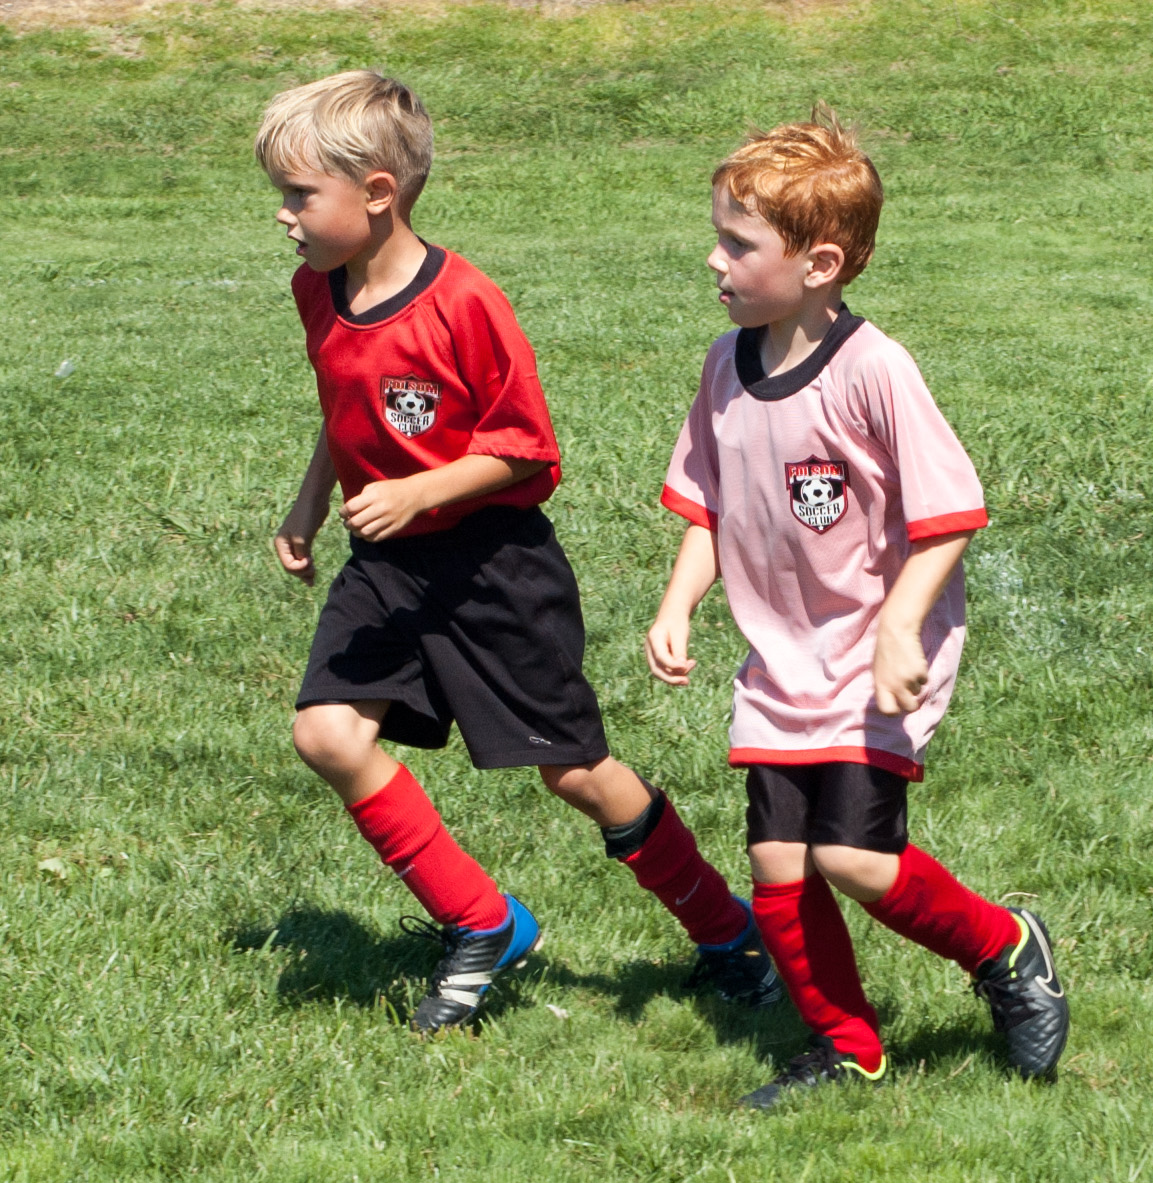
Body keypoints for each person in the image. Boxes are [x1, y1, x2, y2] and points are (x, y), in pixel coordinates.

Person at [262, 70, 778, 1035]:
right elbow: (343, 410)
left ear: (377, 192)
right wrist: (309, 503)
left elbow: (529, 451)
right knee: (328, 734)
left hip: (493, 567)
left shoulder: (464, 303)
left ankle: (726, 929)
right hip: (387, 567)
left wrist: (420, 488)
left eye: (299, 194)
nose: (283, 216)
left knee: (575, 772)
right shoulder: (316, 290)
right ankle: (480, 920)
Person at [646, 112, 1068, 1110]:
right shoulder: (724, 365)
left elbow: (948, 517)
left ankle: (1006, 948)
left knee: (855, 859)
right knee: (777, 866)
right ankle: (847, 1045)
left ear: (819, 263)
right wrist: (677, 603)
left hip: (875, 658)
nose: (714, 260)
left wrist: (897, 627)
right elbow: (707, 504)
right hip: (781, 664)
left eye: (737, 244)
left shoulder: (874, 368)